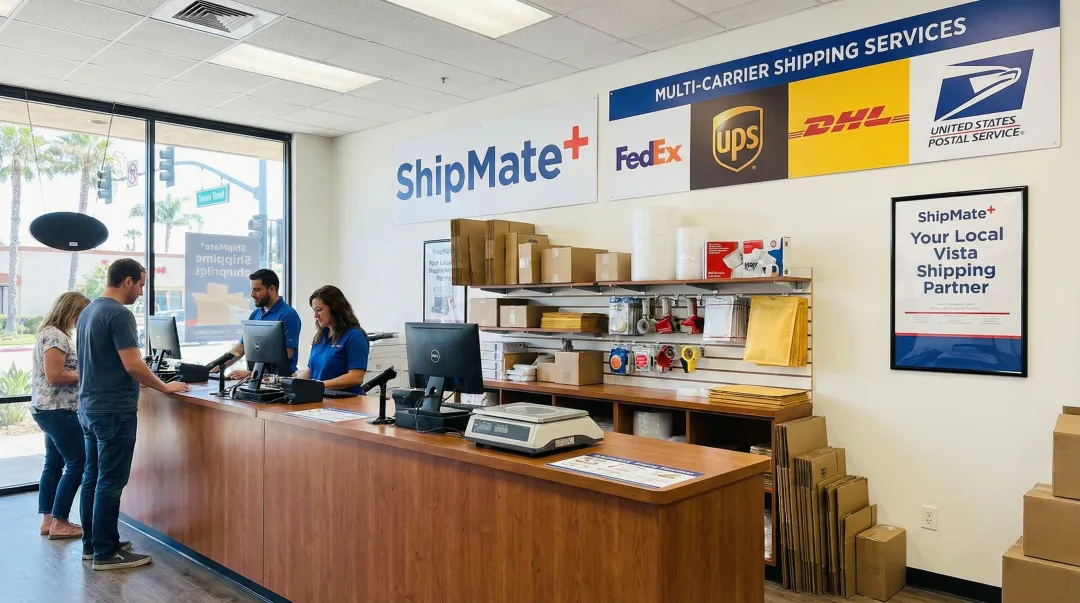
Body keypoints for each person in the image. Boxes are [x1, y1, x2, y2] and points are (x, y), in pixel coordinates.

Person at [77, 259, 189, 571]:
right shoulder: (119, 314)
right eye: (140, 285)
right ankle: (106, 552)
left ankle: (94, 544)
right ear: (127, 281)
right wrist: (163, 386)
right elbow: (133, 364)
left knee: (92, 478)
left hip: (89, 407)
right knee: (110, 481)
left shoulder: (89, 311)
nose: (141, 292)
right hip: (114, 409)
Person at [30, 291, 90, 540]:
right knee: (78, 462)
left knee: (54, 463)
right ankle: (60, 522)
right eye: (81, 315)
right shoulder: (56, 336)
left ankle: (49, 520)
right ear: (72, 312)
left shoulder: (49, 333)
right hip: (59, 411)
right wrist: (88, 374)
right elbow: (55, 376)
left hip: (48, 410)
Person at [222, 269, 302, 379]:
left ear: (272, 289)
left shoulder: (288, 315)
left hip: (279, 380)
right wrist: (217, 366)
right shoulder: (255, 314)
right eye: (251, 290)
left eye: (257, 290)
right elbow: (242, 347)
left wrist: (251, 374)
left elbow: (285, 355)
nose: (252, 294)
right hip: (256, 378)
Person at [299, 285, 369, 393]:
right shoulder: (321, 336)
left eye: (319, 310)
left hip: (346, 399)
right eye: (314, 311)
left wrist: (319, 386)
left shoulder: (355, 336)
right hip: (321, 396)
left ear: (335, 308)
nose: (316, 316)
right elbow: (311, 370)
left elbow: (356, 377)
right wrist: (293, 383)